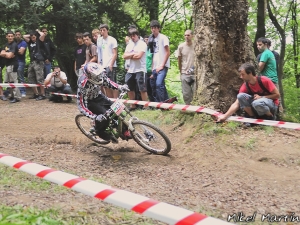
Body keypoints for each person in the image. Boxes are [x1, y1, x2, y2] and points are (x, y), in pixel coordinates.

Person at [77, 62, 130, 141]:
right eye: (96, 76)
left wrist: (120, 87)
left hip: (99, 96)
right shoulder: (83, 84)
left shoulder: (99, 75)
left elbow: (107, 82)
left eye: (99, 75)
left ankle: (124, 130)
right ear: (89, 76)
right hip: (89, 102)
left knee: (116, 110)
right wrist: (95, 117)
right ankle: (100, 131)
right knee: (105, 116)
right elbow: (81, 105)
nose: (98, 77)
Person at [123, 28, 148, 110]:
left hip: (140, 69)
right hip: (130, 69)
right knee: (129, 87)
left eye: (134, 35)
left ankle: (146, 106)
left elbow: (138, 56)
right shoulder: (129, 45)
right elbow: (124, 56)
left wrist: (130, 55)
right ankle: (133, 105)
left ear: (137, 35)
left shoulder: (142, 44)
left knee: (142, 88)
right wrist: (133, 54)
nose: (132, 37)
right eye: (131, 36)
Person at [148, 20, 170, 102]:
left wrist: (162, 65)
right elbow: (153, 54)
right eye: (152, 28)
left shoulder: (163, 38)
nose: (153, 30)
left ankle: (162, 104)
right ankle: (165, 101)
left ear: (158, 29)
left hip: (162, 66)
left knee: (159, 84)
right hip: (155, 66)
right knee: (154, 84)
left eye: (155, 28)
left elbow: (168, 52)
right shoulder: (151, 39)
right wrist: (152, 68)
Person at [23, 29, 47, 100]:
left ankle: (42, 94)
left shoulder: (40, 41)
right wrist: (31, 35)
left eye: (34, 37)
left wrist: (38, 31)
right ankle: (36, 94)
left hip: (39, 61)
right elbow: (24, 36)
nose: (32, 38)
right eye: (31, 37)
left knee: (40, 78)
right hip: (32, 61)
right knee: (31, 77)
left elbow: (43, 35)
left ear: (36, 36)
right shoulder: (30, 42)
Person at [0, 31, 21, 103]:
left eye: (11, 36)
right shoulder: (6, 45)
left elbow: (9, 56)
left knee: (14, 81)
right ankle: (12, 96)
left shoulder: (14, 45)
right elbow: (1, 54)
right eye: (9, 36)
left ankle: (17, 97)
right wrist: (7, 53)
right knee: (9, 82)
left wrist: (6, 54)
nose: (10, 37)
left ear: (13, 37)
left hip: (13, 65)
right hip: (8, 65)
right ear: (6, 37)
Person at [98, 24, 118, 98]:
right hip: (103, 66)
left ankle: (115, 100)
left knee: (113, 84)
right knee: (106, 85)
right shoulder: (99, 40)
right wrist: (99, 65)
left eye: (104, 30)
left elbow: (115, 54)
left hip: (110, 65)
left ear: (107, 31)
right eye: (101, 30)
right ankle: (110, 100)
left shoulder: (112, 40)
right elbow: (99, 53)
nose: (102, 32)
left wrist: (111, 65)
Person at [177, 30, 195, 105]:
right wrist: (181, 71)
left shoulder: (197, 45)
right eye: (185, 35)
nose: (186, 37)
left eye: (188, 35)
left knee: (196, 92)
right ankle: (188, 109)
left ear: (192, 36)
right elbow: (179, 59)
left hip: (195, 72)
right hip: (185, 72)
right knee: (186, 94)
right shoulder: (181, 46)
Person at [15, 30, 27, 97]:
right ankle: (17, 92)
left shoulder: (23, 43)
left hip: (21, 62)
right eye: (16, 34)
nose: (17, 36)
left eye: (19, 34)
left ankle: (23, 92)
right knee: (14, 77)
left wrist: (13, 50)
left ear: (21, 35)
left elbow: (21, 52)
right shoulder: (14, 43)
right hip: (14, 62)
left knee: (21, 77)